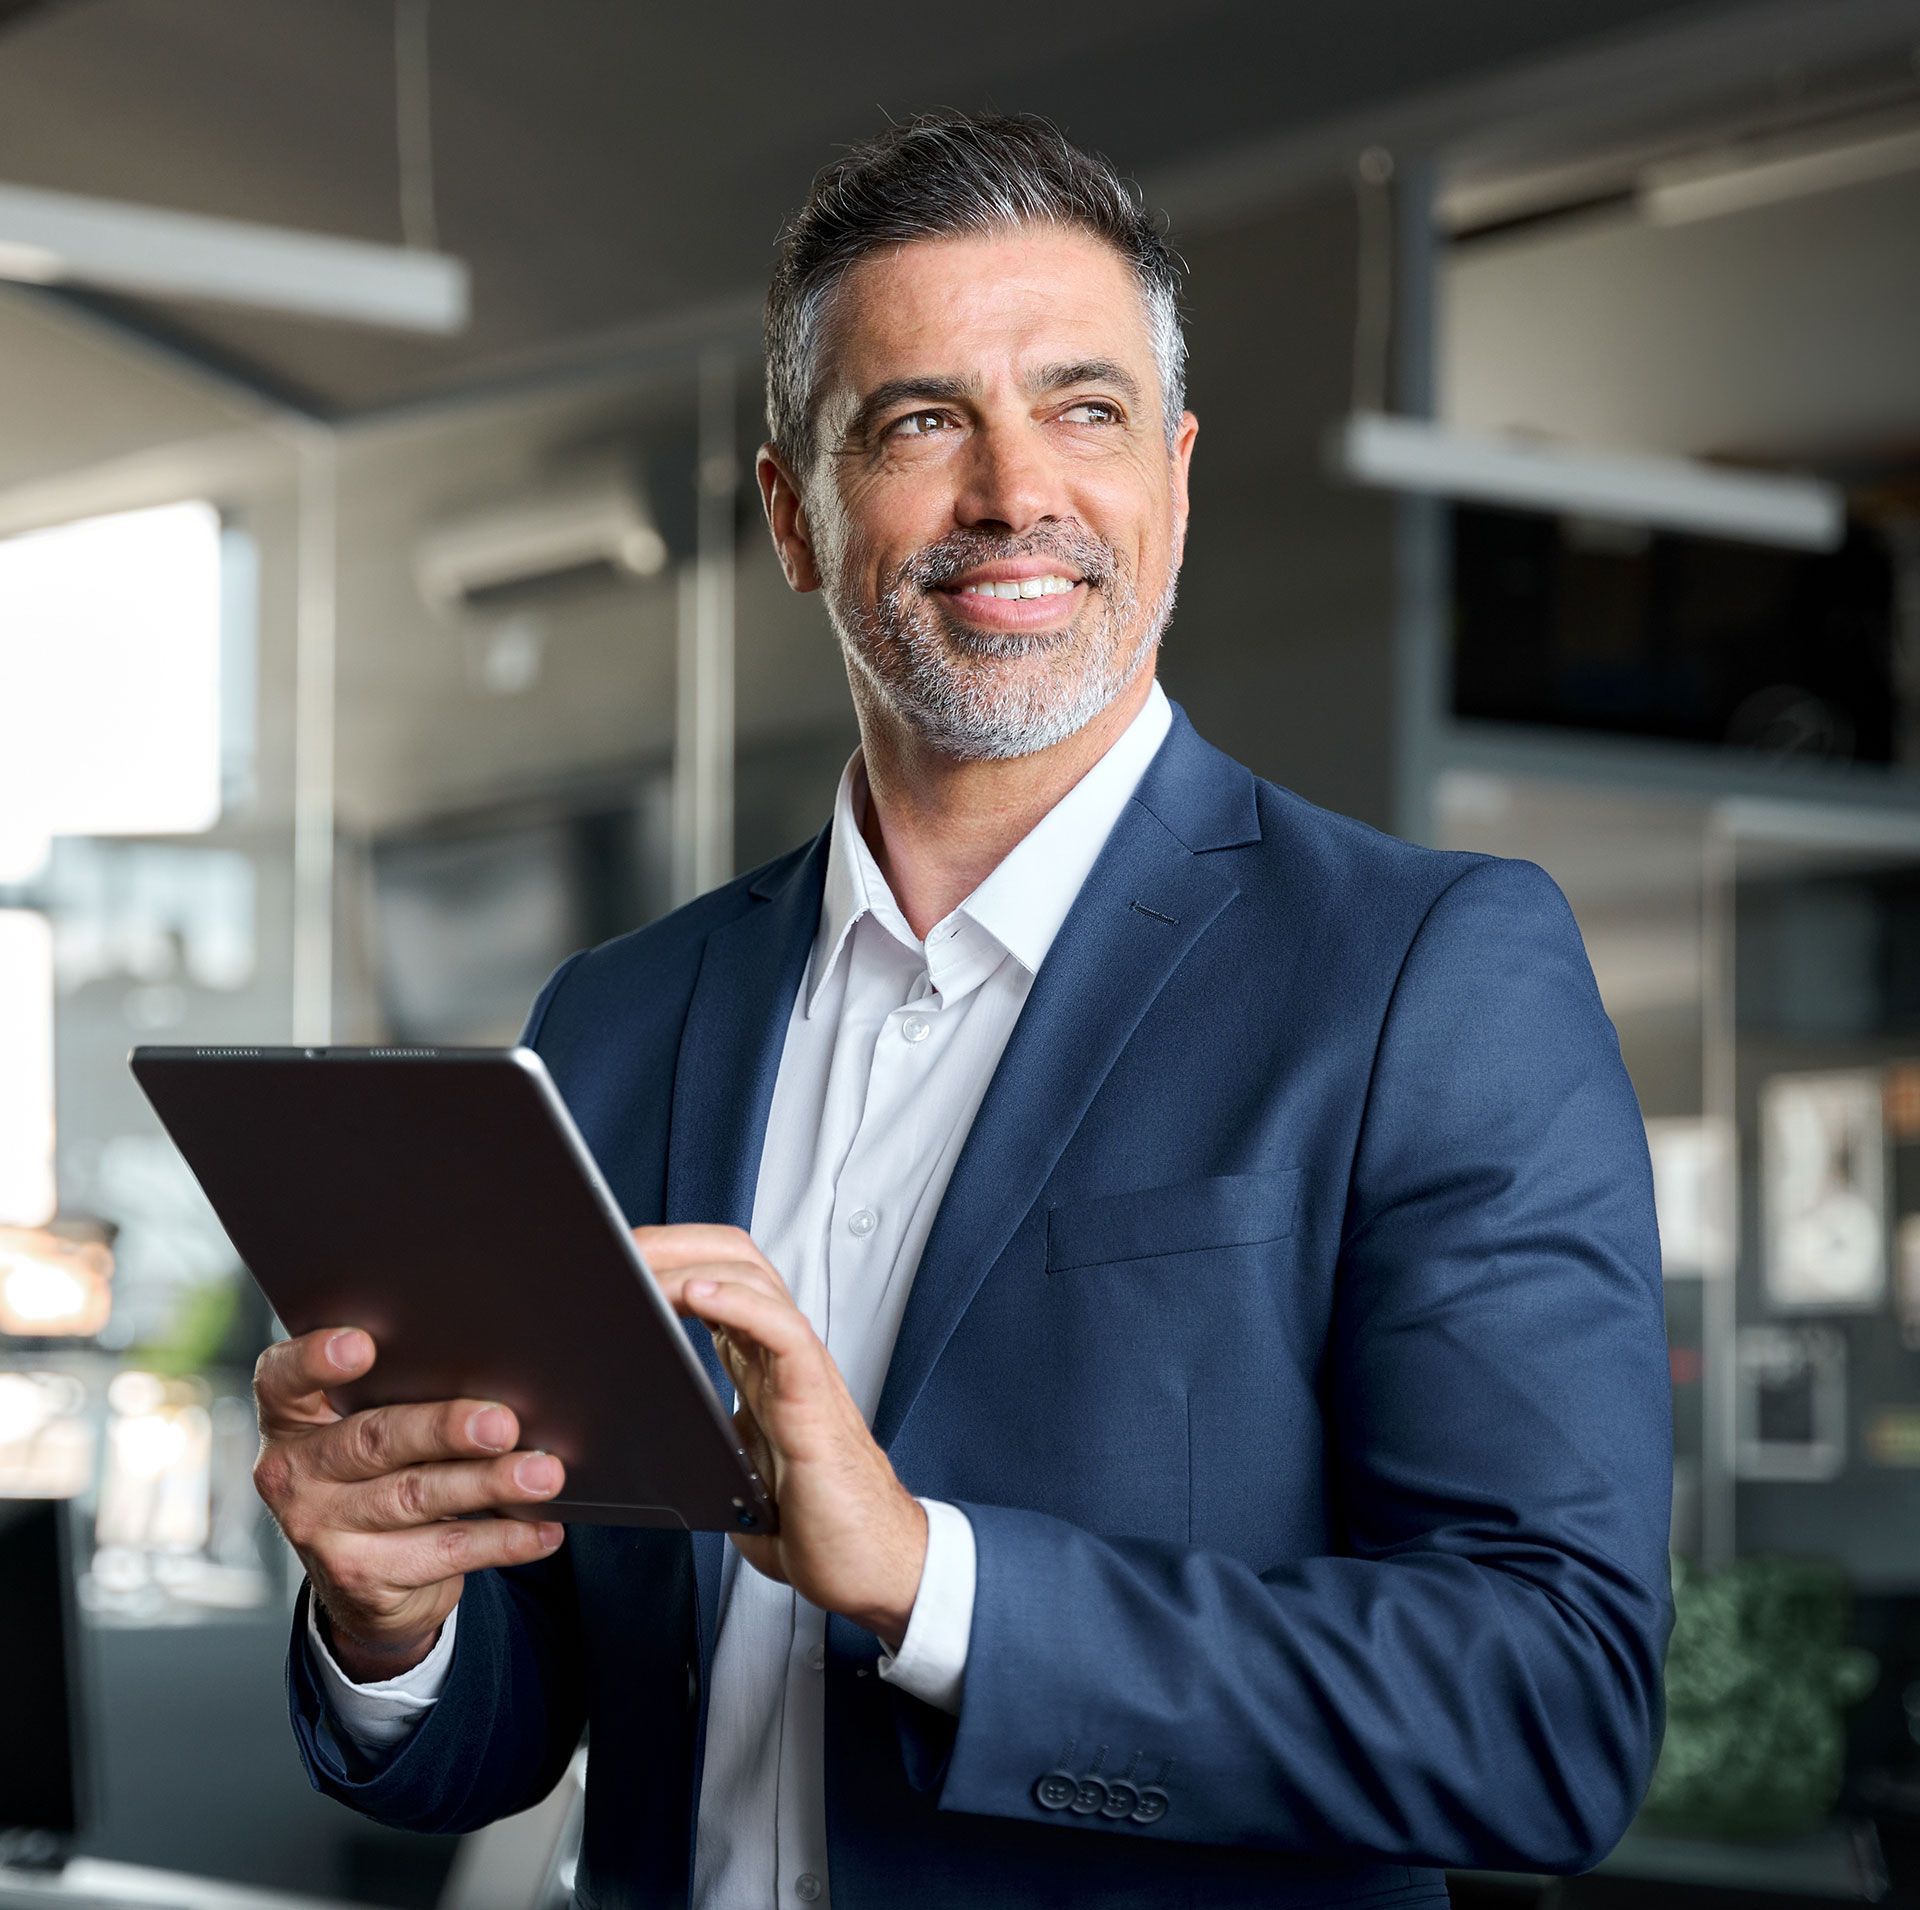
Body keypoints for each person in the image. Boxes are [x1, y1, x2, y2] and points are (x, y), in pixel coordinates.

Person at [253, 109, 1675, 1910]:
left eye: (1083, 410)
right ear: (794, 513)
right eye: (920, 420)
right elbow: (530, 1708)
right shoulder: (617, 1018)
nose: (1016, 491)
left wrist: (934, 1582)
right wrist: (393, 1610)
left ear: (1173, 470)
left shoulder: (1424, 972)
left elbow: (1550, 1709)